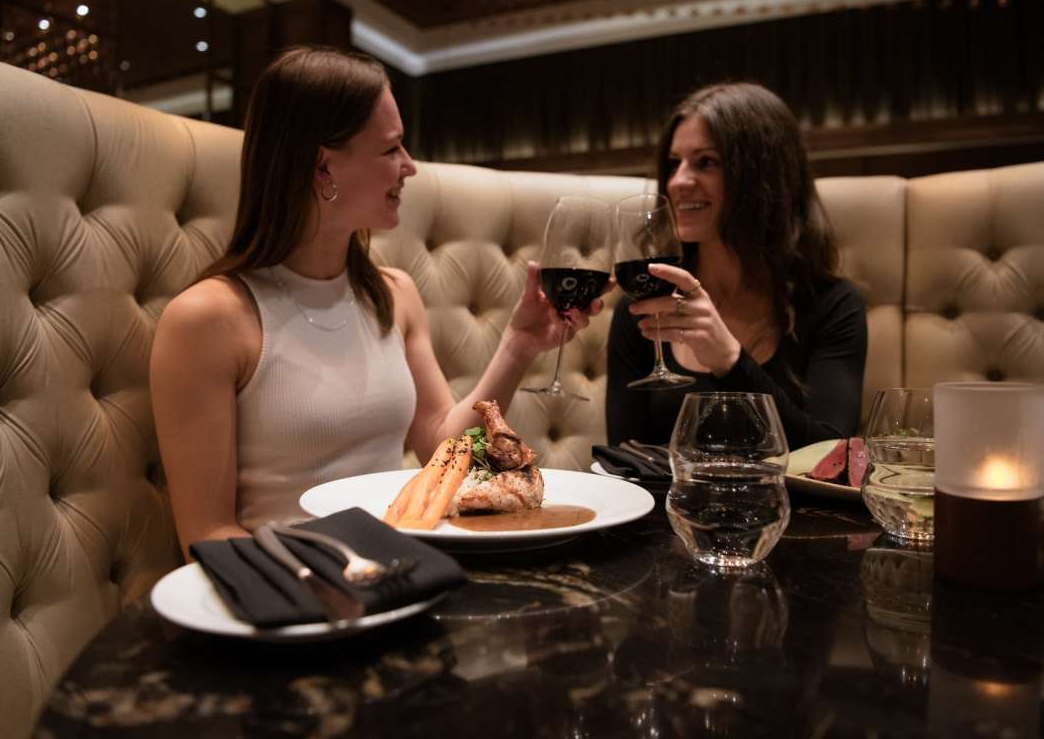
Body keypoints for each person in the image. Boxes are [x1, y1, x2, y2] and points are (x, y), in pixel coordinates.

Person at [151, 46, 603, 558]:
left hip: (406, 566)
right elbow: (206, 535)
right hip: (293, 595)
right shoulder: (208, 319)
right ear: (324, 168)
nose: (409, 166)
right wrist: (337, 585)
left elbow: (439, 446)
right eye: (391, 149)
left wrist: (519, 346)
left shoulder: (393, 294)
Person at [605, 82, 867, 448]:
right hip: (667, 507)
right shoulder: (644, 310)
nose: (678, 181)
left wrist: (729, 359)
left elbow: (828, 454)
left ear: (762, 176)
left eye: (705, 162)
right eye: (673, 164)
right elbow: (623, 460)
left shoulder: (833, 304)